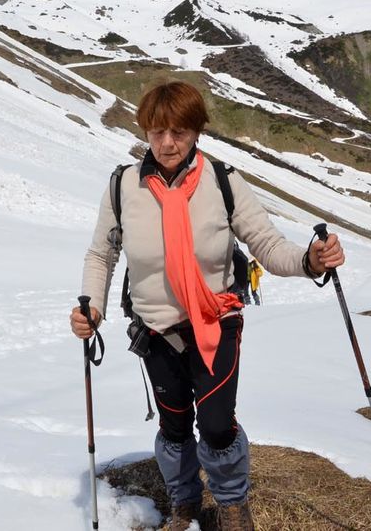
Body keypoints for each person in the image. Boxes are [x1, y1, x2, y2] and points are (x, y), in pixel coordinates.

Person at [70, 81, 345, 531]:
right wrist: (91, 308)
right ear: (145, 132)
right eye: (157, 132)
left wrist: (310, 260)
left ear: (197, 131)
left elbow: (267, 244)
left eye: (179, 131)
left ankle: (232, 503)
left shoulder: (222, 181)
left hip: (217, 324)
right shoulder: (124, 186)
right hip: (156, 331)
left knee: (216, 425)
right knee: (174, 426)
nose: (167, 143)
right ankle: (184, 504)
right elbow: (101, 253)